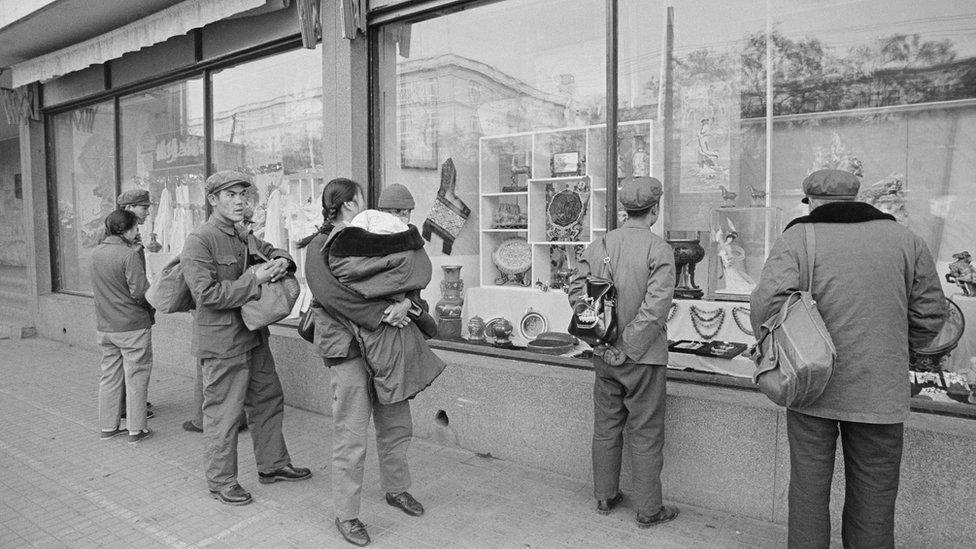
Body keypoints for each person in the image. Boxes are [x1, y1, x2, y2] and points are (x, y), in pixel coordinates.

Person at [751, 169, 946, 548]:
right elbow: (932, 314)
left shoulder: (797, 238)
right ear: (856, 198)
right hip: (881, 391)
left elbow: (765, 305)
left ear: (812, 202)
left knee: (807, 490)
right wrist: (896, 350)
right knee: (875, 494)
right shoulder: (905, 239)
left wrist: (786, 345)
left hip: (811, 385)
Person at [301, 179, 431, 547]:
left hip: (388, 347)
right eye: (361, 199)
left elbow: (408, 280)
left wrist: (409, 304)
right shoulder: (319, 245)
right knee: (352, 433)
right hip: (348, 350)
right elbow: (330, 295)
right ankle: (347, 514)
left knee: (396, 423)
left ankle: (397, 488)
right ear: (347, 204)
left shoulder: (376, 236)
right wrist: (382, 313)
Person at [180, 171, 311, 506]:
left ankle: (273, 465)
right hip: (222, 344)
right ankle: (222, 481)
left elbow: (274, 250)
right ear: (212, 200)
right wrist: (256, 278)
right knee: (224, 414)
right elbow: (206, 294)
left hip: (253, 336)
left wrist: (282, 260)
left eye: (243, 195)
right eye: (231, 195)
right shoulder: (200, 240)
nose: (240, 201)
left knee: (268, 399)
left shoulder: (241, 234)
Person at [567, 176, 679, 528]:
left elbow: (575, 290)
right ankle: (648, 510)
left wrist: (601, 340)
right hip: (642, 359)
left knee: (606, 426)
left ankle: (604, 496)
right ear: (655, 210)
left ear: (625, 210)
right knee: (645, 433)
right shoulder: (659, 249)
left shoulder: (600, 245)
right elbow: (655, 308)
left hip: (604, 356)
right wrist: (628, 347)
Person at [90, 210, 155, 444]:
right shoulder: (128, 255)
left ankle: (108, 427)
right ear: (126, 230)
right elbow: (140, 292)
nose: (138, 232)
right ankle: (136, 430)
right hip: (132, 326)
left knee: (109, 376)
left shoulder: (95, 253)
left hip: (106, 326)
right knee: (136, 376)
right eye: (136, 228)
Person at [116, 189, 157, 420]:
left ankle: (131, 401)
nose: (147, 212)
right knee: (133, 362)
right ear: (130, 207)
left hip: (128, 307)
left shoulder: (128, 232)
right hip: (129, 309)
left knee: (129, 362)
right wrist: (148, 301)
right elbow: (129, 279)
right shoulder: (119, 234)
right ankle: (128, 408)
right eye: (144, 207)